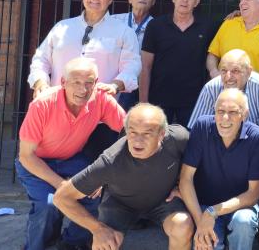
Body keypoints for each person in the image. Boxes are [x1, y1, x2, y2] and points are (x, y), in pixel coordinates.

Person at [16, 57, 127, 250]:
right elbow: (26, 156)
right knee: (48, 205)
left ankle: (71, 244)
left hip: (72, 159)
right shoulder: (42, 104)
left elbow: (129, 129)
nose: (83, 90)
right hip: (38, 161)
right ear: (63, 82)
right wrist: (62, 185)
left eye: (88, 83)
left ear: (96, 82)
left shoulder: (100, 98)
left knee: (92, 197)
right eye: (76, 82)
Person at [52, 104, 193, 250]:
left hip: (163, 201)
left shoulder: (177, 138)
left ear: (162, 134)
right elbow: (61, 197)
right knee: (104, 244)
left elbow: (202, 162)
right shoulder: (110, 161)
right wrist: (97, 229)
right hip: (120, 206)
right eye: (132, 132)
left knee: (183, 225)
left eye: (147, 134)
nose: (138, 141)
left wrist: (181, 185)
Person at [28, 0, 140, 100]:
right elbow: (40, 59)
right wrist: (40, 82)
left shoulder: (124, 32)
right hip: (57, 106)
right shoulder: (61, 27)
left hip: (100, 109)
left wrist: (115, 85)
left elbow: (132, 66)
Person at [181, 89, 259, 250]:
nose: (225, 118)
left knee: (243, 222)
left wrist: (212, 212)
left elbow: (253, 194)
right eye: (220, 111)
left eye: (233, 112)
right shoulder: (202, 127)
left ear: (245, 114)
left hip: (241, 207)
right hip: (205, 205)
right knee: (206, 243)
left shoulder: (258, 137)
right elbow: (185, 179)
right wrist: (201, 221)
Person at [139, 0, 214, 125]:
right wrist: (143, 103)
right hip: (159, 98)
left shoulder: (208, 26)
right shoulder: (156, 26)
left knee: (189, 141)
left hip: (194, 100)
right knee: (157, 142)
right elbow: (145, 66)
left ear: (197, 2)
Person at [188, 48, 259, 138]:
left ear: (249, 71)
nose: (228, 77)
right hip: (218, 147)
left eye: (235, 71)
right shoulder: (211, 88)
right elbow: (197, 131)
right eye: (224, 70)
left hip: (254, 148)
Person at [111, 0, 156, 110]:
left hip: (142, 83)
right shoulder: (114, 21)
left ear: (153, 1)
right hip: (114, 80)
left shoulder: (157, 27)